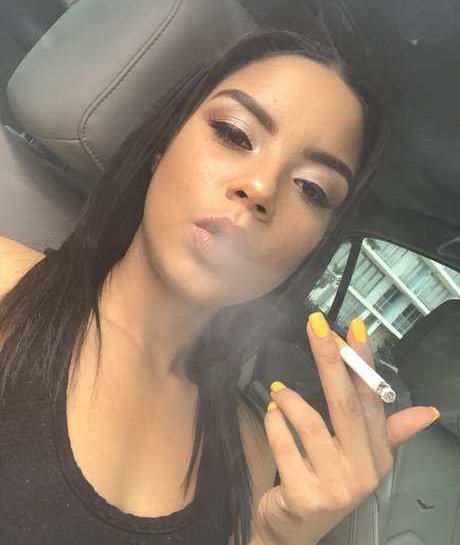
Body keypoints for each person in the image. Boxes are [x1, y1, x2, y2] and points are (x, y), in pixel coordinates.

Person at [0, 29, 438, 545]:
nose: (261, 188)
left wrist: (276, 539)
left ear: (315, 246)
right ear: (163, 145)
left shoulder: (251, 453)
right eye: (234, 134)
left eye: (312, 189)